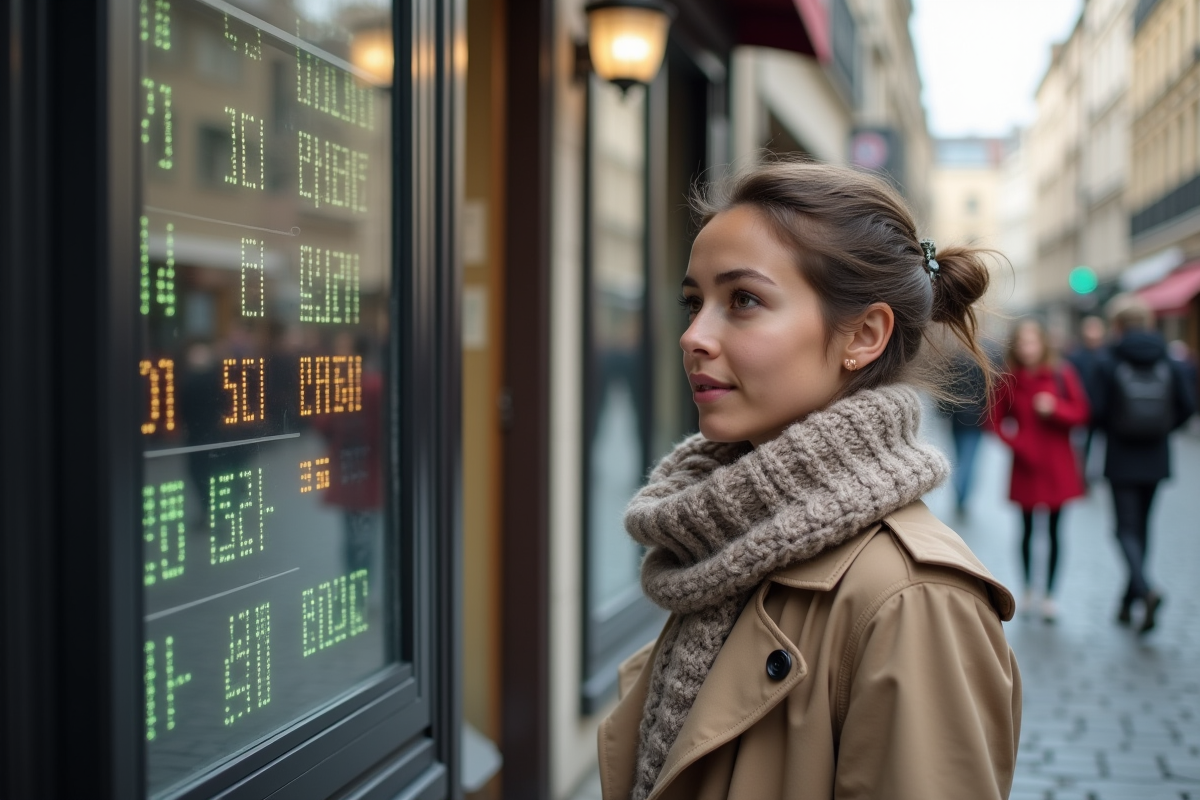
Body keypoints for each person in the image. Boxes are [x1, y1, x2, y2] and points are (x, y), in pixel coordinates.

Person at [598, 161, 1021, 800]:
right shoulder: (722, 544)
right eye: (694, 302)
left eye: (743, 300)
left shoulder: (912, 598)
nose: (693, 336)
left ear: (864, 334)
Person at [1092, 296, 1195, 633]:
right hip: (1156, 454)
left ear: (1118, 325)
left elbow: (1096, 410)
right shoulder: (1169, 357)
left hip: (1121, 455)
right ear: (1149, 323)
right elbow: (1188, 404)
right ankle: (1130, 599)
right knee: (1143, 528)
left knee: (1124, 529)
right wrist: (1165, 428)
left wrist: (1114, 429)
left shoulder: (1109, 360)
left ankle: (1145, 589)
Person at [988, 319, 1090, 622]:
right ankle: (1029, 590)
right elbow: (993, 419)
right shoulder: (1009, 378)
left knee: (1056, 531)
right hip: (1026, 465)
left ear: (1043, 344)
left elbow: (1082, 413)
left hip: (1059, 464)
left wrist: (1055, 408)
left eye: (1032, 343)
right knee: (1027, 530)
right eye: (1022, 344)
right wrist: (1017, 443)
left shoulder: (1062, 373)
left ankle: (1049, 596)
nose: (1028, 349)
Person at [1065, 315, 1109, 479]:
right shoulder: (1076, 355)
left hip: (1103, 409)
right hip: (1083, 407)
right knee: (1082, 443)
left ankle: (1095, 473)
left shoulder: (1107, 354)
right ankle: (1081, 474)